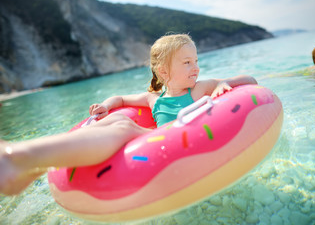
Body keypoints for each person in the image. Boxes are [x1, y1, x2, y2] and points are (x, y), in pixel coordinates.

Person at [0, 34, 257, 196]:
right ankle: (32, 160)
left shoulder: (201, 88)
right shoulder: (153, 99)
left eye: (196, 60)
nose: (196, 67)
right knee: (116, 119)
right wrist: (106, 105)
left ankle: (19, 156)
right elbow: (122, 99)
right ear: (163, 72)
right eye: (187, 62)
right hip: (158, 140)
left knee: (124, 127)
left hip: (177, 139)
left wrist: (227, 84)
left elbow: (249, 79)